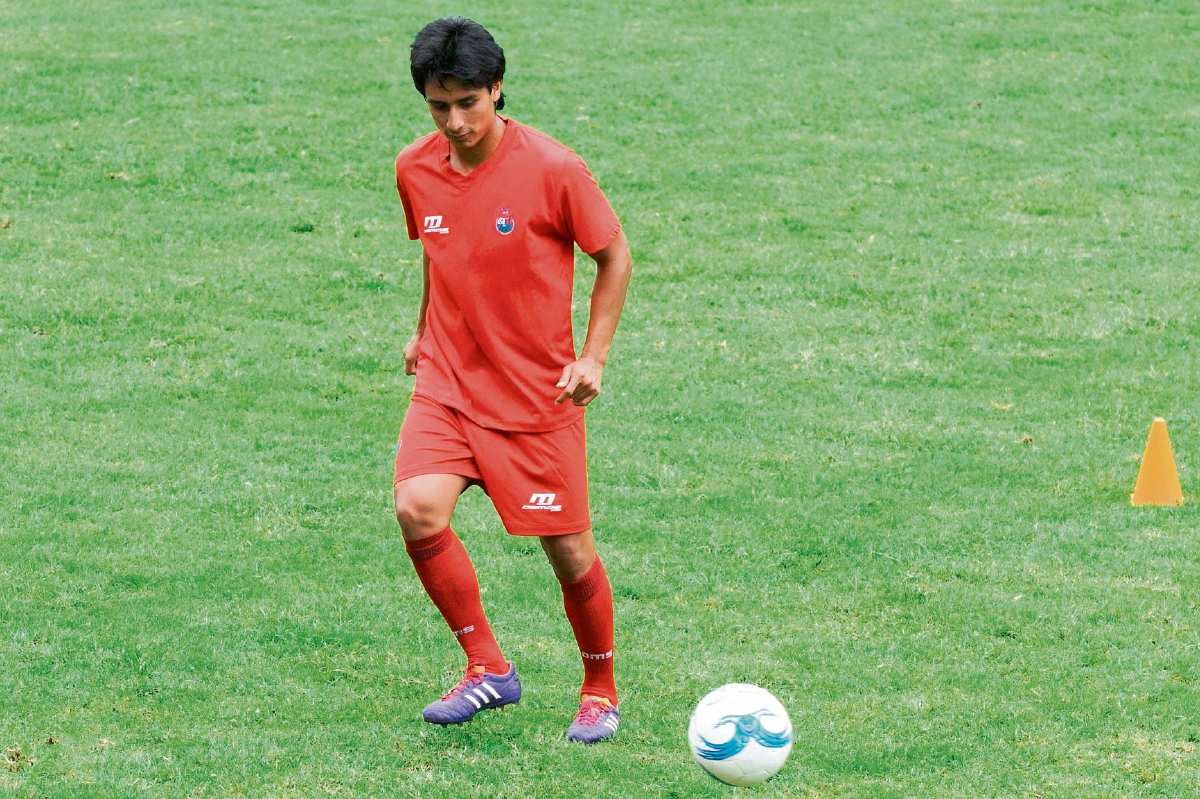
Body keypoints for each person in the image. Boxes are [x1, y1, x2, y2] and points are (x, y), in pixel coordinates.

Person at [391, 17, 632, 744]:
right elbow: (440, 252)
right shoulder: (414, 167)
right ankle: (488, 667)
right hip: (447, 379)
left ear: (498, 89)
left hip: (535, 395)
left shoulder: (554, 169)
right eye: (440, 105)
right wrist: (421, 326)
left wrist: (593, 358)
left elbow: (614, 256)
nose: (456, 121)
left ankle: (599, 686)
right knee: (417, 508)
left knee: (567, 549)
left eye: (469, 101)